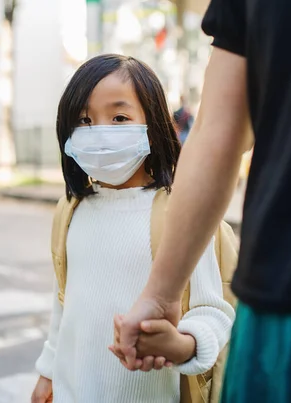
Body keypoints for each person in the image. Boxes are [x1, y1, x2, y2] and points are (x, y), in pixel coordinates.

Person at [112, 0, 291, 401]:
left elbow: (219, 133)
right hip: (279, 298)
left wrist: (160, 295)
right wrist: (160, 295)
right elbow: (217, 133)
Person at [30, 54, 235, 403]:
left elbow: (213, 312)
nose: (100, 133)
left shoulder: (181, 214)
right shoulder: (71, 209)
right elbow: (64, 302)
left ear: (153, 125)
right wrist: (48, 372)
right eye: (84, 120)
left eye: (120, 117)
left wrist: (183, 346)